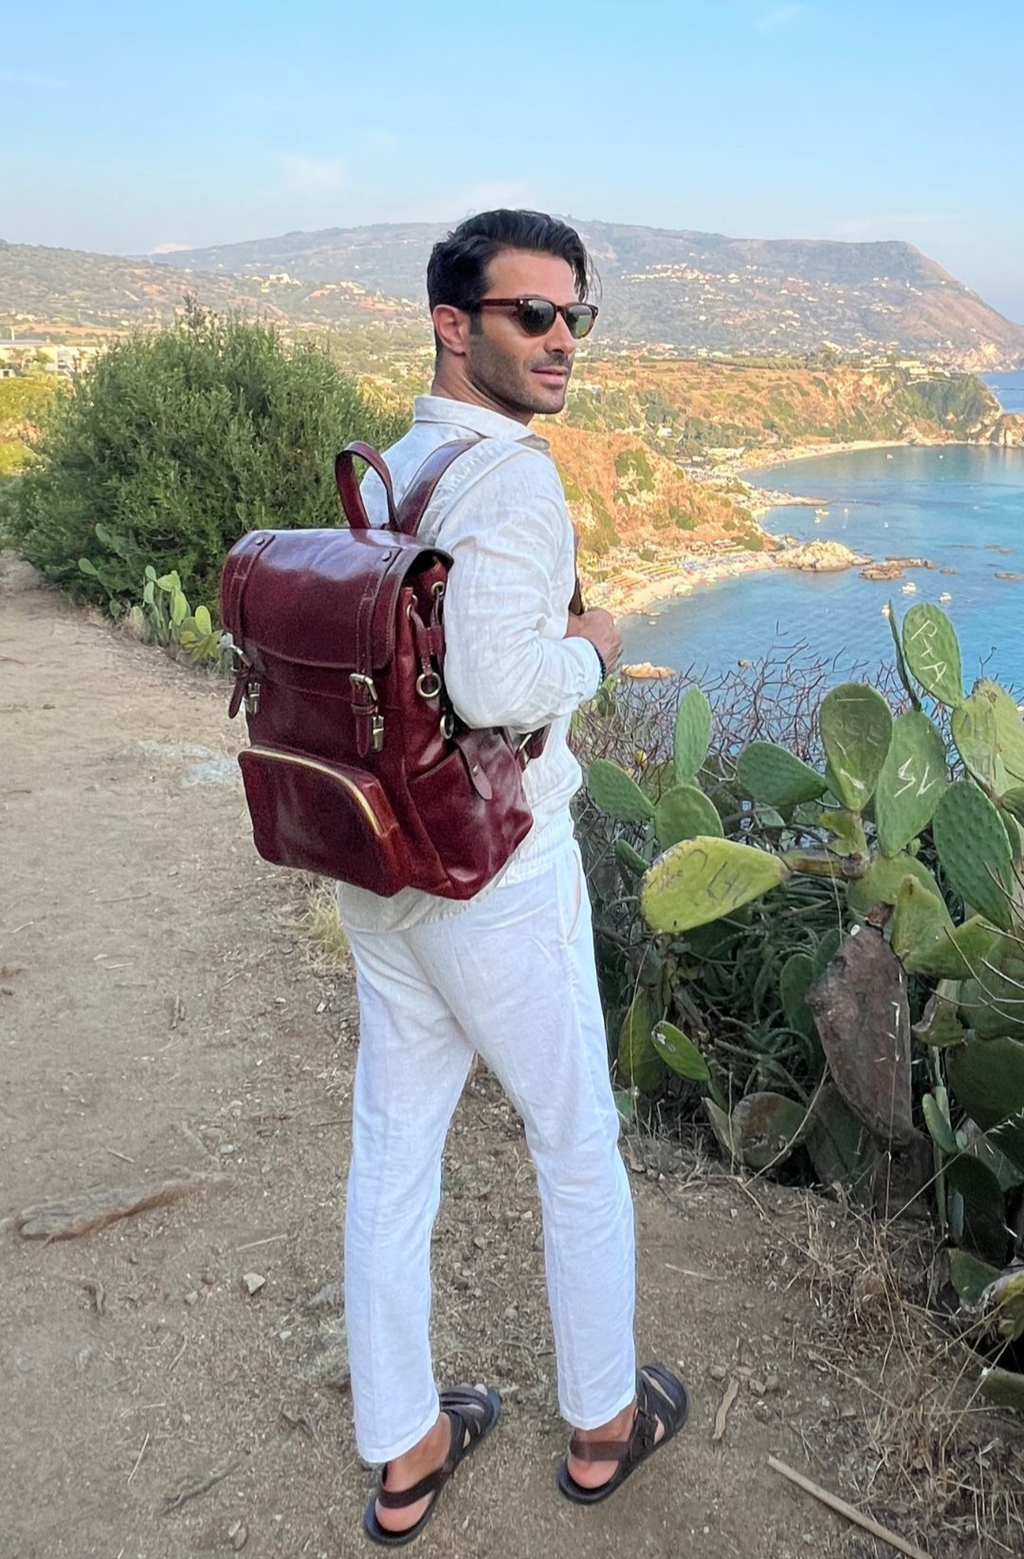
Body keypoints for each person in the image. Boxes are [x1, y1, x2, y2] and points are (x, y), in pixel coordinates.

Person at [335, 209, 690, 1547]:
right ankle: (602, 1424)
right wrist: (595, 646)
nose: (560, 340)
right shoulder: (516, 481)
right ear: (452, 321)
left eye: (573, 316)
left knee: (393, 1151)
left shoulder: (396, 463)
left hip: (380, 857)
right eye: (530, 314)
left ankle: (405, 1447)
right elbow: (492, 683)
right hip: (493, 869)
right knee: (574, 1139)